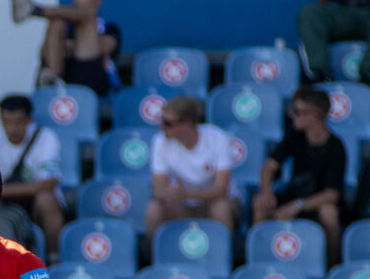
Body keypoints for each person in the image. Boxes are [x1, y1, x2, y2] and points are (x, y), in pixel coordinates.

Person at [255, 86, 349, 261]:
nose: (292, 115)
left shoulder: (336, 147)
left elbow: (331, 194)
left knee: (329, 213)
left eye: (297, 112)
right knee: (261, 205)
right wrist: (266, 192)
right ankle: (259, 263)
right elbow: (269, 166)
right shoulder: (295, 135)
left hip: (315, 201)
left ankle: (331, 266)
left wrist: (297, 206)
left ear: (314, 115)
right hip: (295, 193)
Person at [0, 93, 68, 256]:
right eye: (6, 122)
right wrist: (33, 187)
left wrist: (3, 189)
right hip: (5, 204)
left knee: (47, 198)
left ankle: (54, 258)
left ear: (29, 120)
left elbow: (49, 183)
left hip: (35, 203)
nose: (12, 128)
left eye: (18, 122)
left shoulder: (46, 137)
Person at [9, 0, 122, 98]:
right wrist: (68, 46)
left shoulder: (108, 27)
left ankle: (34, 9)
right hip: (62, 75)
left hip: (89, 78)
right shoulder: (62, 28)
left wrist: (66, 46)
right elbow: (43, 51)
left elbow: (106, 46)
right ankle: (52, 81)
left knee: (89, 15)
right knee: (56, 21)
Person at [146, 94, 235, 236]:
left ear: (187, 124)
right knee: (154, 209)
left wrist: (187, 194)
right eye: (161, 121)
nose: (162, 127)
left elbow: (222, 190)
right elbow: (158, 189)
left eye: (167, 123)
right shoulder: (159, 141)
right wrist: (168, 193)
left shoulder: (218, 138)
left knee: (221, 208)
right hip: (181, 203)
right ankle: (153, 256)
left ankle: (224, 255)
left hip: (213, 201)